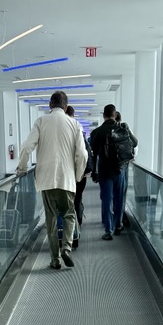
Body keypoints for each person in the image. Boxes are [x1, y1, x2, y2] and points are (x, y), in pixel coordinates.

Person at [16, 90, 87, 269]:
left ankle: (55, 260)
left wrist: (22, 168)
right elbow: (82, 154)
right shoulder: (75, 124)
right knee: (70, 215)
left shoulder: (41, 121)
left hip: (46, 179)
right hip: (66, 179)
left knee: (51, 220)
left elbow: (26, 147)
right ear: (65, 106)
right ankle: (67, 248)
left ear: (50, 105)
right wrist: (77, 176)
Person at [90, 104, 125, 240]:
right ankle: (118, 224)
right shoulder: (122, 129)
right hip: (120, 170)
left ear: (104, 115)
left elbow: (93, 154)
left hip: (104, 171)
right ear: (114, 114)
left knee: (106, 199)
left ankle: (108, 230)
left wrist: (93, 171)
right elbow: (134, 143)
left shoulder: (96, 132)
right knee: (119, 198)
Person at [65, 105, 92, 248]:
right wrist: (81, 173)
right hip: (79, 174)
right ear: (74, 115)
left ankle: (68, 234)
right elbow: (84, 153)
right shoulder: (79, 129)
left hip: (66, 174)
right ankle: (77, 229)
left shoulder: (64, 130)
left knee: (67, 204)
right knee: (77, 201)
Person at [114, 110, 138, 224]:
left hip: (111, 166)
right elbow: (135, 144)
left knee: (112, 192)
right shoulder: (126, 130)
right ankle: (120, 217)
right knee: (122, 191)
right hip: (124, 165)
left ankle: (114, 216)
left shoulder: (110, 131)